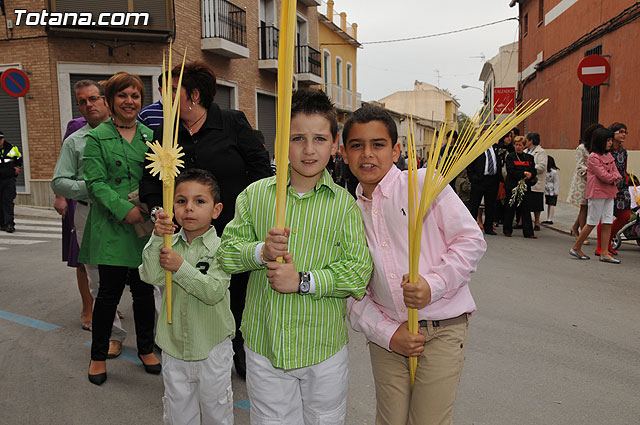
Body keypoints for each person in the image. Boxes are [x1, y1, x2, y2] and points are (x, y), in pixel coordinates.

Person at [218, 89, 373, 424]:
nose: (307, 149)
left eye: (319, 139)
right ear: (282, 143)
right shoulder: (256, 196)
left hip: (323, 349)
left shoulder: (344, 206)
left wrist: (303, 281)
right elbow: (227, 255)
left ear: (335, 147)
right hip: (265, 345)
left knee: (325, 419)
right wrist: (261, 251)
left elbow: (358, 273)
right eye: (297, 138)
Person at [342, 105, 486, 425]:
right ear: (344, 153)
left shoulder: (422, 185)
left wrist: (431, 286)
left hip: (441, 330)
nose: (368, 154)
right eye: (357, 145)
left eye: (378, 144)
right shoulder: (347, 214)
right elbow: (351, 291)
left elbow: (471, 241)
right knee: (390, 420)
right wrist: (389, 333)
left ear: (396, 151)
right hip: (389, 337)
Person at [139, 61, 272, 380]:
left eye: (171, 91)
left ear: (194, 95)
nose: (163, 97)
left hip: (230, 229)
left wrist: (249, 213)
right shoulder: (164, 133)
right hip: (184, 236)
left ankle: (237, 346)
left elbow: (260, 170)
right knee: (185, 287)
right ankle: (181, 343)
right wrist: (159, 211)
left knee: (234, 292)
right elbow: (150, 182)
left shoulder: (232, 122)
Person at [81, 72, 160, 385]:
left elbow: (157, 176)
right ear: (110, 101)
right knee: (108, 296)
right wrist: (124, 208)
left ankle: (145, 349)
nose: (130, 101)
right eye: (123, 96)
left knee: (143, 292)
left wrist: (149, 206)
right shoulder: (97, 137)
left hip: (144, 227)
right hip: (113, 227)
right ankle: (98, 356)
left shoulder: (150, 136)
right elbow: (95, 183)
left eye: (135, 95)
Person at [140, 169, 235, 425]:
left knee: (217, 412)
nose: (189, 208)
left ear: (216, 210)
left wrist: (180, 267)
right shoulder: (168, 244)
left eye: (199, 201)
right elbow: (150, 275)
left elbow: (213, 291)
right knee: (178, 413)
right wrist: (157, 237)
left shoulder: (223, 248)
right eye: (181, 201)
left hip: (212, 348)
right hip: (174, 347)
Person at [52, 79, 129, 353]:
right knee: (98, 279)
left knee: (146, 277)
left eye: (94, 98)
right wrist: (94, 188)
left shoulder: (131, 133)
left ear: (105, 100)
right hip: (90, 213)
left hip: (131, 214)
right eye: (82, 101)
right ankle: (113, 337)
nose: (89, 105)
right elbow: (59, 182)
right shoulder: (75, 141)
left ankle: (152, 338)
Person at [570, 127, 621, 264]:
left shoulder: (609, 156)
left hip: (609, 193)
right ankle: (576, 247)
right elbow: (604, 176)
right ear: (600, 141)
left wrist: (614, 177)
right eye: (607, 140)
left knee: (607, 222)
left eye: (611, 140)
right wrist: (614, 177)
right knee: (592, 221)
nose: (610, 143)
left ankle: (604, 252)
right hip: (597, 193)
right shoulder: (593, 157)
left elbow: (617, 172)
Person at [595, 122, 630, 256]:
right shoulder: (605, 152)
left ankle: (608, 241)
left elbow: (624, 168)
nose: (623, 134)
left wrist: (626, 183)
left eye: (625, 132)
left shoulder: (624, 152)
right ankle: (600, 246)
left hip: (622, 187)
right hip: (607, 186)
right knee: (606, 217)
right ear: (612, 133)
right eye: (620, 131)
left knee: (625, 215)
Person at [567, 124, 602, 244]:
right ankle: (582, 234)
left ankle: (575, 228)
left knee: (586, 207)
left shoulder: (595, 148)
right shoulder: (581, 148)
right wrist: (593, 170)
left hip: (594, 180)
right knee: (584, 206)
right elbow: (579, 165)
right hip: (582, 181)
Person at [503, 136, 537, 238]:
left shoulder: (529, 158)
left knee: (526, 209)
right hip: (512, 186)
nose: (518, 147)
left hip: (525, 187)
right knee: (510, 208)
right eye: (516, 145)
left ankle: (528, 233)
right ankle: (507, 230)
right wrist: (523, 173)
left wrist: (531, 174)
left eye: (520, 145)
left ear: (524, 146)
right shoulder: (510, 157)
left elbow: (533, 170)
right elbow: (511, 171)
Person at [466, 139, 502, 235]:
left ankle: (488, 227)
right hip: (479, 180)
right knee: (474, 204)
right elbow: (469, 164)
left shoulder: (496, 147)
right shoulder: (476, 148)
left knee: (491, 205)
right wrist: (473, 178)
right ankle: (471, 227)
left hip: (493, 180)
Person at [0, 131, 22, 233]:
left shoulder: (11, 148)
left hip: (8, 180)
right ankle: (2, 224)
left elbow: (19, 159)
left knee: (8, 202)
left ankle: (9, 224)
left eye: (0, 139)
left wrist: (16, 167)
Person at [525, 132, 547, 231]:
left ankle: (537, 222)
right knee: (526, 202)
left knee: (537, 203)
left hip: (536, 180)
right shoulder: (525, 151)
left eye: (527, 140)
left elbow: (542, 166)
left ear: (531, 141)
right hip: (526, 180)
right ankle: (522, 221)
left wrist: (530, 170)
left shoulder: (541, 152)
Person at [542, 155, 560, 225]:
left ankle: (550, 219)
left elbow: (556, 182)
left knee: (552, 204)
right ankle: (548, 218)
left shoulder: (554, 172)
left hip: (552, 190)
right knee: (548, 203)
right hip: (547, 190)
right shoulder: (545, 171)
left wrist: (556, 192)